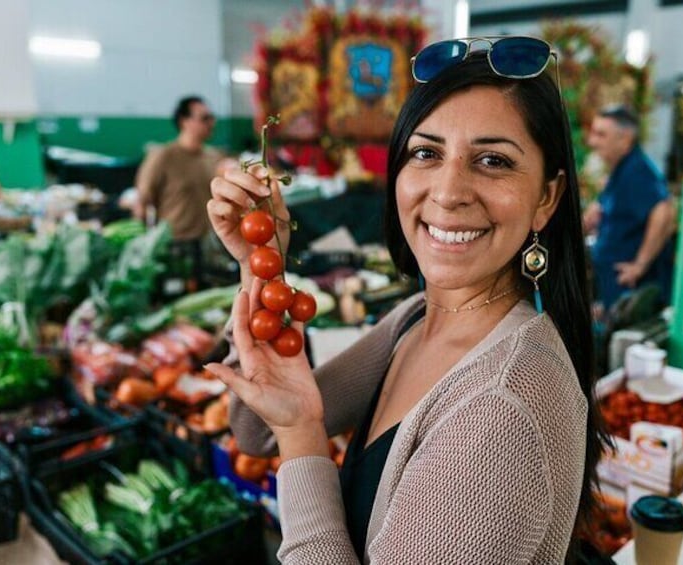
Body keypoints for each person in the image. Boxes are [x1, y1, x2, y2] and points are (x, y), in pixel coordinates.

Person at [205, 38, 608, 564]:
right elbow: (258, 427)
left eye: (492, 160)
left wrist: (303, 437)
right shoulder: (416, 319)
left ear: (546, 198)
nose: (447, 191)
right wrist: (261, 262)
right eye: (426, 153)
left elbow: (289, 431)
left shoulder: (502, 405)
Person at [583, 105, 676, 311]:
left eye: (601, 135)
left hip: (633, 288)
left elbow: (664, 211)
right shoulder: (621, 170)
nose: (592, 141)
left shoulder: (637, 171)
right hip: (615, 288)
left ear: (625, 139)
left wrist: (640, 265)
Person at [134, 95, 221, 286]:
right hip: (175, 247)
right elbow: (142, 201)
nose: (211, 123)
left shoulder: (212, 157)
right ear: (185, 121)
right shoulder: (163, 156)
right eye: (204, 118)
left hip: (207, 245)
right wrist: (143, 246)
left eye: (212, 117)